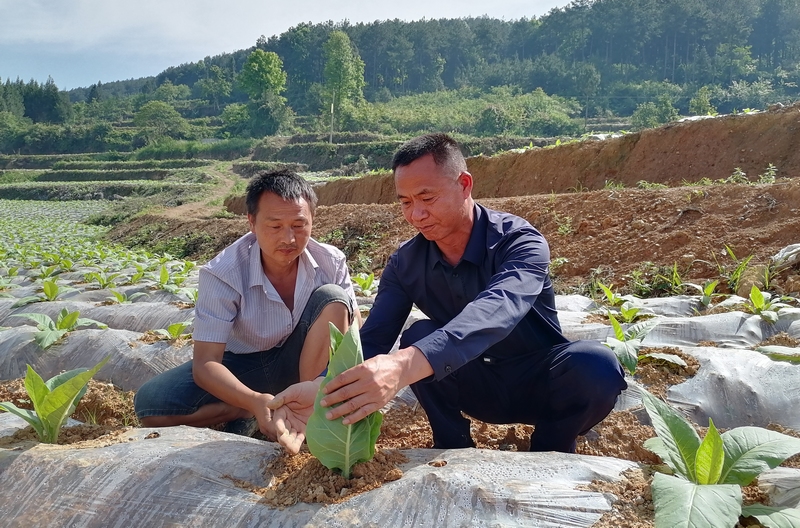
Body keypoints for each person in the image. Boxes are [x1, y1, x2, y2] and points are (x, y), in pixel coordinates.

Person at [269, 134, 626, 453]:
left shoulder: (519, 242)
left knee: (597, 364)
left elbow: (498, 308)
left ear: (464, 184)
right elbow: (375, 337)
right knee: (418, 334)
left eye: (427, 197)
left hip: (540, 381)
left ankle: (552, 447)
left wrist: (404, 365)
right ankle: (450, 444)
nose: (417, 214)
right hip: (473, 383)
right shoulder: (405, 263)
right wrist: (324, 387)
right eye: (406, 202)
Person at [134, 170, 359, 451]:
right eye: (275, 226)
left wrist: (329, 384)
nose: (288, 238)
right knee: (151, 406)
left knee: (334, 299)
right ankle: (245, 411)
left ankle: (307, 412)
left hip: (305, 363)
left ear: (313, 220)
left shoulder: (332, 261)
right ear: (251, 222)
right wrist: (252, 401)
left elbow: (354, 333)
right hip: (244, 364)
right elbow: (206, 364)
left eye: (299, 225)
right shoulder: (223, 272)